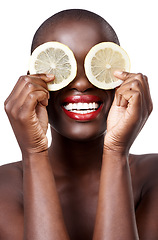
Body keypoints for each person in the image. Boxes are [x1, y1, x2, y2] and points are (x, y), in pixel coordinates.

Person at [1, 8, 158, 240]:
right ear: (32, 85)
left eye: (95, 67)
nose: (82, 84)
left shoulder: (153, 176)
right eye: (64, 68)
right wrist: (33, 153)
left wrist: (116, 152)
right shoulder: (5, 186)